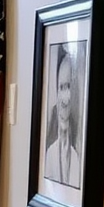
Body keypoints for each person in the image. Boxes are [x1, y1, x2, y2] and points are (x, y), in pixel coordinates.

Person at [43, 44, 81, 188]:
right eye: (62, 87)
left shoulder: (77, 158)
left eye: (70, 87)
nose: (65, 99)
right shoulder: (50, 154)